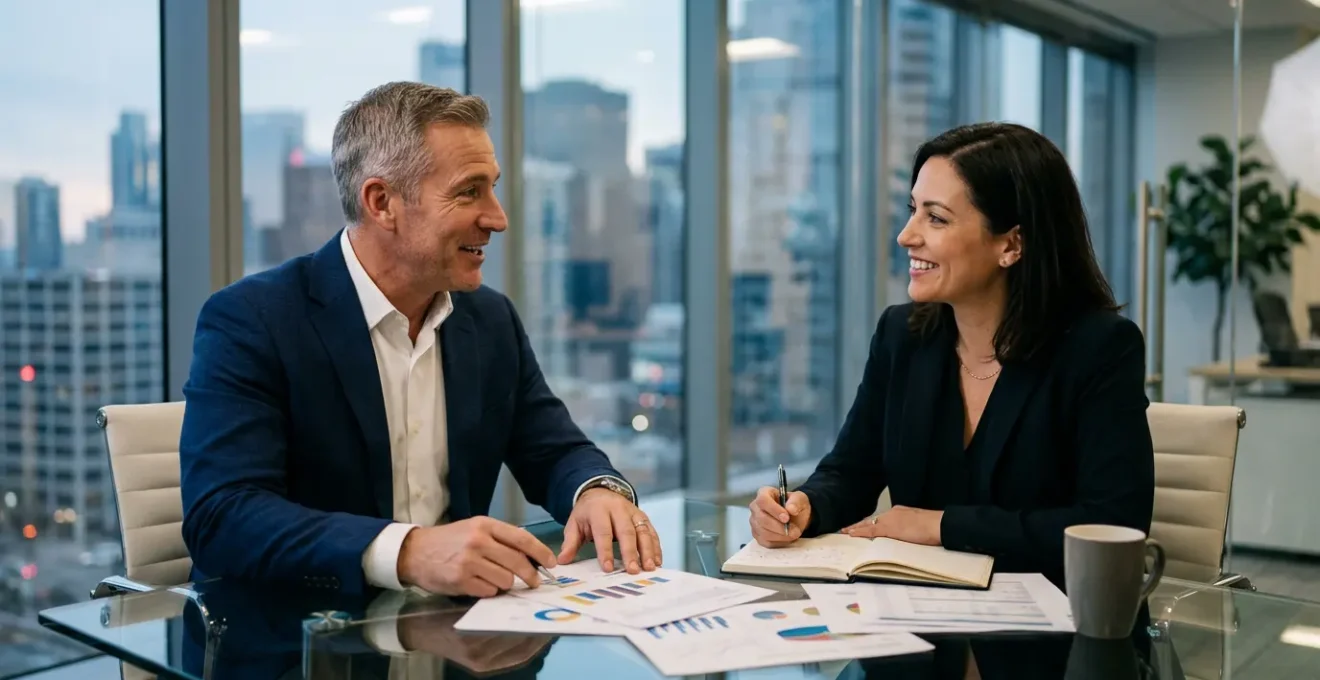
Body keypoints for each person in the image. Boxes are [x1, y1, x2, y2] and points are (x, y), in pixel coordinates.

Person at [180, 82, 660, 598]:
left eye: (493, 188)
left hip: (458, 638)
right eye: (469, 191)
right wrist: (407, 551)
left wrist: (596, 491)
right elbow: (222, 518)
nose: (497, 218)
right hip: (299, 642)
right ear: (382, 202)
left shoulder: (489, 319)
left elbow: (555, 449)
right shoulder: (254, 320)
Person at [749, 122, 1155, 587]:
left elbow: (1114, 525)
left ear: (1011, 244)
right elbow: (851, 470)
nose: (906, 235)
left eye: (935, 218)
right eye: (912, 210)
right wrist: (805, 506)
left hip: (1051, 636)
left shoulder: (1098, 348)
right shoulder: (902, 336)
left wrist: (939, 525)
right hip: (921, 630)